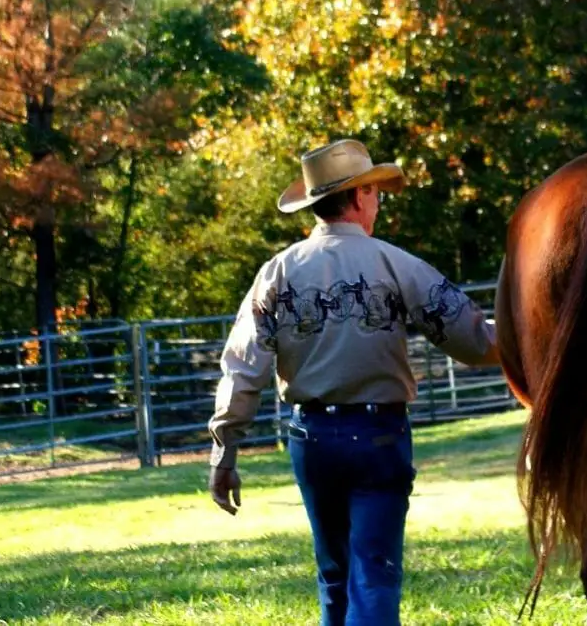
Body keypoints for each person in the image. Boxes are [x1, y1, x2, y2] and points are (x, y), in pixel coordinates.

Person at [206, 139, 500, 626]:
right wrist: (536, 331)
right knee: (374, 576)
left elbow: (242, 370)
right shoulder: (396, 264)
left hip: (312, 440)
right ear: (359, 196)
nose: (379, 204)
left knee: (335, 577)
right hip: (380, 439)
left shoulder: (275, 273)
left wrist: (224, 453)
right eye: (376, 193)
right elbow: (473, 341)